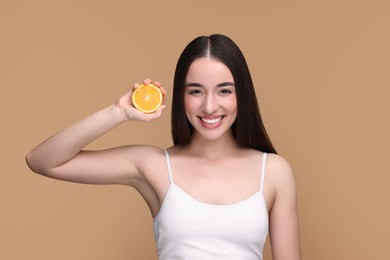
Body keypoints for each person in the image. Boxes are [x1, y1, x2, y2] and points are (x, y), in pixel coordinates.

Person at [26, 34, 301, 260]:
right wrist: (118, 112)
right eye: (196, 91)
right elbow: (43, 160)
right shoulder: (154, 166)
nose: (209, 106)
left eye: (224, 90)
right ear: (181, 96)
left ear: (243, 94)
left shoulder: (274, 171)